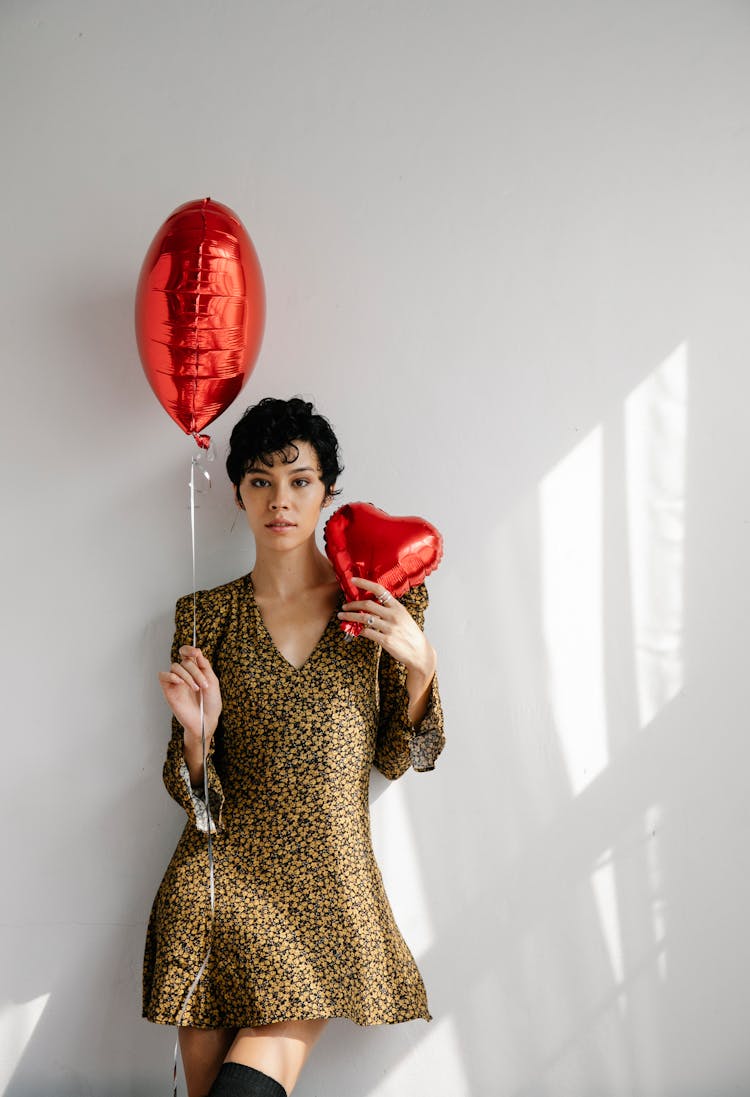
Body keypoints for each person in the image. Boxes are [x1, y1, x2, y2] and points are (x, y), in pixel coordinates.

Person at [143, 396, 445, 1097]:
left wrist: (422, 665)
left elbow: (405, 757)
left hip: (328, 889)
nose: (280, 498)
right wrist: (198, 734)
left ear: (328, 491)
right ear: (240, 492)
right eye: (260, 480)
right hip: (218, 889)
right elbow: (202, 803)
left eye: (300, 479)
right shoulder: (204, 615)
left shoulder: (374, 604)